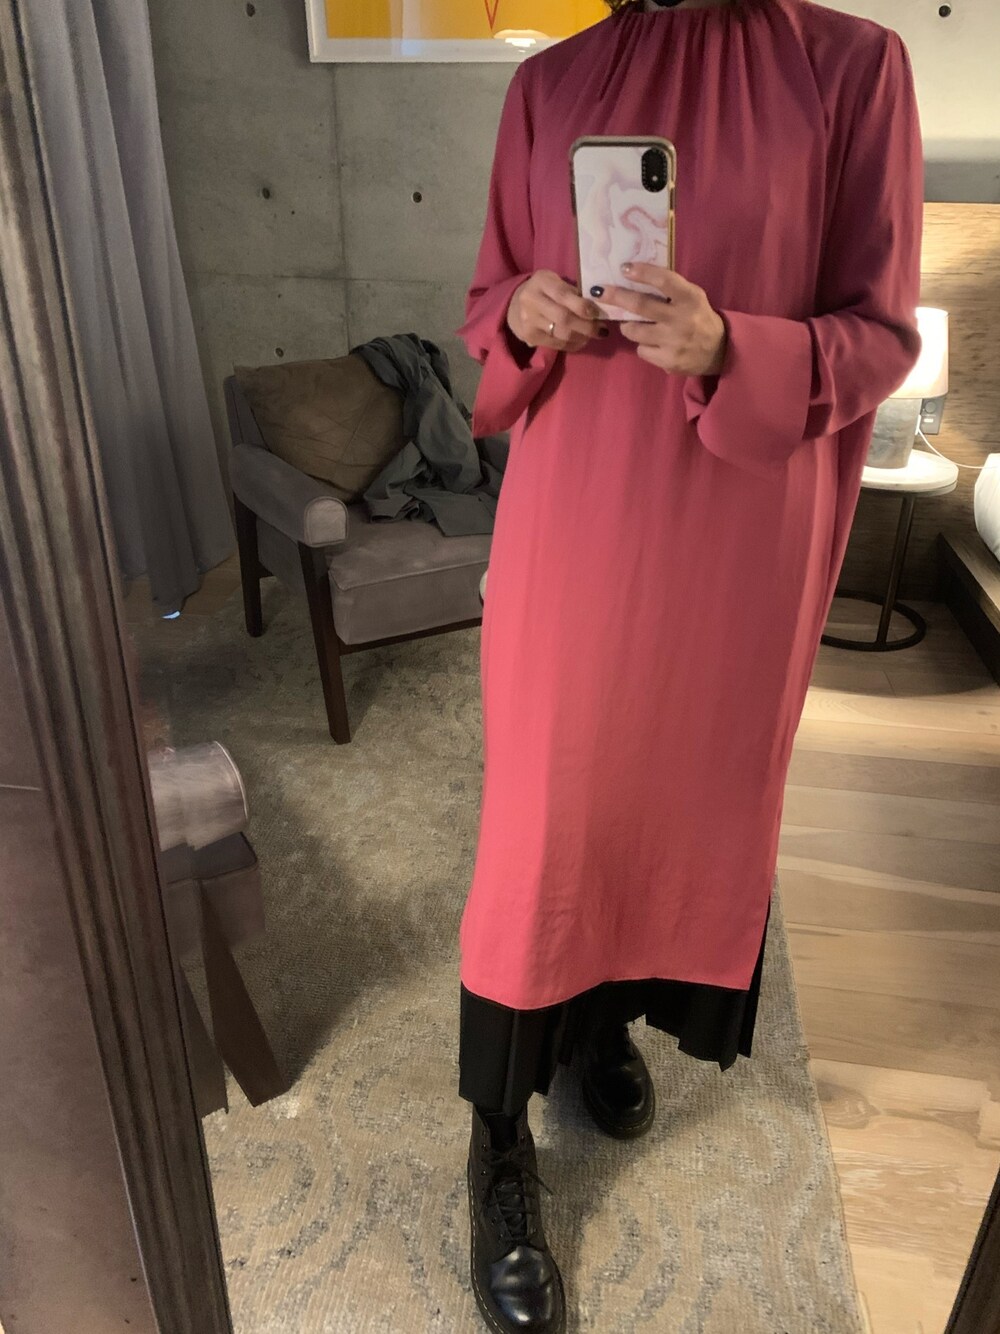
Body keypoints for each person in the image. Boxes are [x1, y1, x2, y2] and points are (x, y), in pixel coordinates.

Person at [454, 0, 924, 1330]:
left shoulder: (852, 69)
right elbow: (487, 306)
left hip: (736, 543)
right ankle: (497, 1146)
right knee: (541, 832)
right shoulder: (550, 82)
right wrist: (526, 315)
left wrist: (734, 347)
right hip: (572, 522)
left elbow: (882, 332)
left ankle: (597, 1024)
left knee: (670, 810)